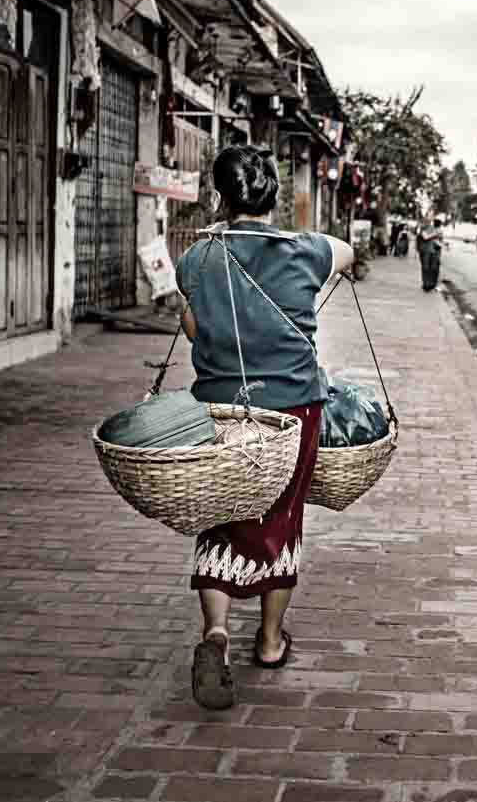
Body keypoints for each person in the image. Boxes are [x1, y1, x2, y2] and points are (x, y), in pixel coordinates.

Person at [174, 145, 355, 710]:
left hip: (221, 407)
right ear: (274, 197)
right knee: (282, 518)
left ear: (219, 197)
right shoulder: (306, 250)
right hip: (292, 408)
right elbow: (348, 254)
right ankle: (271, 642)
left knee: (221, 516)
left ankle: (217, 635)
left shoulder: (197, 257)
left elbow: (193, 325)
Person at [418, 215, 445, 291]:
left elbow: (439, 241)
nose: (427, 223)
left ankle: (431, 283)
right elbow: (425, 237)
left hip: (433, 251)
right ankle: (426, 284)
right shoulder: (426, 229)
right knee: (426, 267)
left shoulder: (436, 230)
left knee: (433, 268)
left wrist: (439, 242)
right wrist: (435, 234)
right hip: (425, 251)